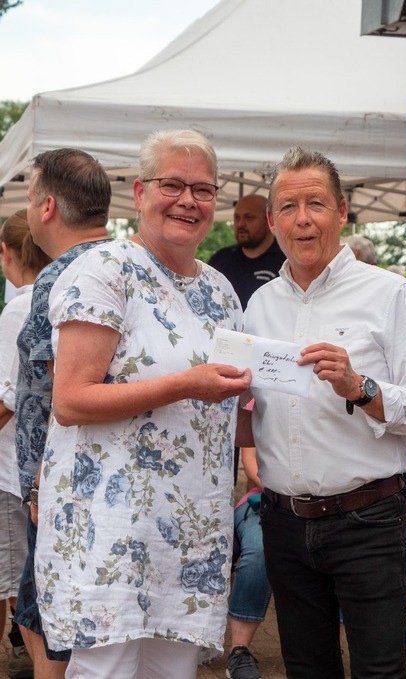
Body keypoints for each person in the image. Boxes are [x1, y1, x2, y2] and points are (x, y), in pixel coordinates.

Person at [33, 130, 252, 679]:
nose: (188, 200)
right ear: (139, 192)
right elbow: (71, 400)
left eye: (202, 189)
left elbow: (224, 394)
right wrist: (186, 385)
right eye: (172, 184)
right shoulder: (105, 271)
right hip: (110, 532)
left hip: (190, 532)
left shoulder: (222, 291)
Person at [237, 146, 406, 679]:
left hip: (368, 522)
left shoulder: (391, 295)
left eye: (316, 203)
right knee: (307, 669)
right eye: (288, 207)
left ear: (343, 210)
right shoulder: (258, 307)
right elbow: (248, 401)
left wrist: (360, 386)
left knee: (378, 670)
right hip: (284, 522)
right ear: (271, 220)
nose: (302, 219)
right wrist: (244, 438)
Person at [13, 148, 113, 679]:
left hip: (63, 491)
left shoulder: (62, 279)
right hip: (93, 486)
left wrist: (36, 489)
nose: (29, 209)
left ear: (47, 206)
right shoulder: (122, 264)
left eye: (30, 197)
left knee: (53, 629)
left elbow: (60, 393)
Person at [0, 210, 51, 679]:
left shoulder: (19, 306)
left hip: (17, 474)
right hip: (32, 473)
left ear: (8, 253)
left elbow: (7, 398)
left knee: (18, 589)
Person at [225, 446, 270, 679]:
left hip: (328, 503)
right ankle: (239, 650)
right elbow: (250, 461)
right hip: (264, 495)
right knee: (260, 551)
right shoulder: (261, 407)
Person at [208, 194, 286, 309]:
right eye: (237, 218)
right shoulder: (220, 259)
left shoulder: (285, 262)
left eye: (249, 217)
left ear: (269, 220)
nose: (240, 224)